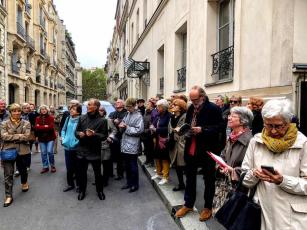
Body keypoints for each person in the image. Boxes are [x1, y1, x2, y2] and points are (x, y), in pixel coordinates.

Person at [242, 99, 307, 229]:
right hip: (260, 213)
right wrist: (254, 174)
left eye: (278, 126)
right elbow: (244, 178)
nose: (272, 131)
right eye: (268, 125)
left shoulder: (303, 143)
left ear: (288, 122)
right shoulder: (256, 141)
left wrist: (283, 181)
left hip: (291, 218)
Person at [175, 86, 223, 222]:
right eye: (191, 100)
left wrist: (202, 130)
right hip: (191, 148)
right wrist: (183, 129)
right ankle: (188, 204)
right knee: (190, 177)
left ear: (202, 97)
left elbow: (220, 128)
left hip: (207, 149)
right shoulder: (191, 108)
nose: (193, 102)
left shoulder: (213, 108)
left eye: (195, 100)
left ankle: (208, 207)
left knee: (209, 179)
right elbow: (187, 123)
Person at [213, 106, 253, 213]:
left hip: (240, 189)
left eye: (233, 116)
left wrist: (233, 170)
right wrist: (221, 165)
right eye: (229, 115)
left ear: (243, 121)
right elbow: (223, 155)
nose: (229, 118)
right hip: (226, 185)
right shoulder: (232, 136)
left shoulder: (250, 141)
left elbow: (251, 168)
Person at [75, 99, 108, 201]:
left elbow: (104, 136)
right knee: (82, 174)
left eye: (90, 105)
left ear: (96, 107)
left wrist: (94, 134)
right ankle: (82, 191)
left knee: (98, 174)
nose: (87, 106)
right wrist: (79, 134)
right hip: (82, 150)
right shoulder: (81, 118)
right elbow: (76, 131)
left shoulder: (103, 120)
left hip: (95, 151)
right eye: (87, 104)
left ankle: (100, 191)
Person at [0, 103, 31, 207]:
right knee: (8, 174)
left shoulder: (26, 123)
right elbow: (4, 137)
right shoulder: (4, 123)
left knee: (23, 170)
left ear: (21, 112)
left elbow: (27, 137)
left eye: (18, 111)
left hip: (22, 151)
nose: (16, 113)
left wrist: (12, 136)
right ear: (10, 112)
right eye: (14, 111)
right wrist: (19, 136)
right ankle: (8, 196)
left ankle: (24, 182)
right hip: (8, 150)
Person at [119, 98, 144, 192]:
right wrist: (120, 125)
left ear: (134, 106)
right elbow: (124, 124)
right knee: (126, 165)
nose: (127, 109)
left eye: (129, 107)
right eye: (127, 107)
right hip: (125, 142)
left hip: (133, 143)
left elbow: (139, 130)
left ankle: (135, 184)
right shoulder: (127, 114)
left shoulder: (139, 116)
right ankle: (128, 182)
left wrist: (126, 127)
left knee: (133, 165)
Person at [61, 103, 82, 192]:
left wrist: (76, 143)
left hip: (77, 148)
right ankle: (70, 184)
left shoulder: (81, 120)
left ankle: (78, 185)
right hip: (67, 147)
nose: (71, 110)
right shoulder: (68, 118)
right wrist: (63, 138)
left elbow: (82, 134)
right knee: (69, 168)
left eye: (73, 109)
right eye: (71, 109)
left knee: (78, 168)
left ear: (78, 112)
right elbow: (63, 129)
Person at [150, 99, 171, 185]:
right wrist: (152, 126)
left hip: (164, 140)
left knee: (164, 158)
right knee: (157, 156)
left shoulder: (169, 116)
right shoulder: (158, 115)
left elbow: (169, 128)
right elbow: (154, 124)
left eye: (159, 106)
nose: (157, 108)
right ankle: (159, 173)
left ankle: (165, 176)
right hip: (157, 139)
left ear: (164, 107)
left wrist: (156, 129)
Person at [168, 99, 188, 191]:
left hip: (181, 145)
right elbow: (170, 129)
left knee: (184, 165)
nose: (172, 106)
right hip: (173, 143)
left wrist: (176, 131)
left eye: (175, 105)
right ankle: (181, 184)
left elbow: (184, 131)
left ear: (180, 108)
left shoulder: (185, 117)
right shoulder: (172, 117)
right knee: (177, 166)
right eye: (172, 105)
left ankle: (189, 185)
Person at [108, 99, 127, 180]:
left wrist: (118, 122)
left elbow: (126, 124)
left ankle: (120, 174)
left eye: (119, 102)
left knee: (120, 157)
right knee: (110, 155)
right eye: (116, 102)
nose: (116, 103)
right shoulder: (112, 113)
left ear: (123, 105)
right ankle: (110, 173)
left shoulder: (126, 113)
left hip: (122, 137)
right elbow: (108, 121)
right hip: (112, 137)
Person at [35, 105, 57, 173]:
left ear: (47, 110)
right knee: (43, 153)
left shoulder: (51, 117)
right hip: (41, 138)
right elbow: (36, 127)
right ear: (40, 110)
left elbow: (51, 127)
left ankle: (52, 165)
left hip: (50, 137)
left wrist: (41, 127)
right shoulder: (38, 118)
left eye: (44, 109)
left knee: (50, 152)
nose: (43, 110)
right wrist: (45, 126)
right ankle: (45, 166)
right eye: (42, 109)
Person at [100, 106, 113, 187]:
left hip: (105, 146)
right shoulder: (94, 120)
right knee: (97, 165)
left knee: (105, 164)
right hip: (96, 146)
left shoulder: (108, 121)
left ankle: (105, 180)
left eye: (102, 110)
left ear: (104, 112)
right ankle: (98, 179)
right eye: (98, 110)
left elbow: (114, 130)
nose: (100, 112)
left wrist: (110, 137)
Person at [142, 100, 155, 166]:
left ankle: (151, 161)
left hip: (150, 134)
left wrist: (147, 130)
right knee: (146, 148)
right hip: (144, 133)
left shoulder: (153, 113)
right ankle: (147, 160)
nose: (146, 105)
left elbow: (153, 124)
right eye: (146, 104)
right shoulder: (146, 112)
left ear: (152, 106)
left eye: (148, 104)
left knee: (150, 148)